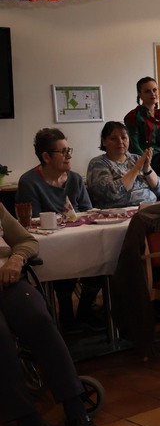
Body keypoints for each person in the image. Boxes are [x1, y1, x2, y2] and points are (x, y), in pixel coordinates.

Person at [0, 205, 101, 426]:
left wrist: (16, 258)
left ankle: (75, 407)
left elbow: (26, 240)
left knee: (39, 319)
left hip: (7, 279)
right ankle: (28, 419)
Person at [16, 128, 101, 330]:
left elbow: (87, 212)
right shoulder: (29, 182)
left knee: (101, 253)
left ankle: (85, 309)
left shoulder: (75, 179)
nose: (69, 156)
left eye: (68, 150)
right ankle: (65, 312)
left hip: (79, 239)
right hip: (50, 244)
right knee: (64, 256)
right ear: (46, 157)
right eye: (62, 152)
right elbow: (34, 222)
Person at [86, 121, 160, 207]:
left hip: (151, 207)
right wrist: (137, 168)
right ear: (104, 141)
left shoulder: (136, 158)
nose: (120, 142)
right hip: (120, 212)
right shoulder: (98, 163)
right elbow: (109, 195)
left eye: (124, 137)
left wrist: (147, 170)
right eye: (113, 138)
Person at [124, 76, 160, 156]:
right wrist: (146, 160)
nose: (152, 94)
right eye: (147, 91)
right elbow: (134, 146)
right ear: (140, 94)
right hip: (145, 158)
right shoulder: (133, 116)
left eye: (155, 90)